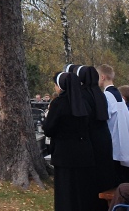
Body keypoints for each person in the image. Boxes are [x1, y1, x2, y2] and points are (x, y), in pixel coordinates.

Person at [43, 71, 99, 211]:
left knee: (65, 191)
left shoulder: (59, 103)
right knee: (81, 189)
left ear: (62, 86)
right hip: (84, 151)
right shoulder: (84, 102)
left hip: (64, 153)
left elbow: (49, 128)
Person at [67, 64, 118, 205]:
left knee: (92, 180)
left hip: (91, 139)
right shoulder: (100, 93)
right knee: (103, 175)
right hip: (104, 137)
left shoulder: (83, 95)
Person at [97, 64, 129, 180]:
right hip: (123, 138)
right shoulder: (118, 94)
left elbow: (105, 117)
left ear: (102, 77)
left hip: (113, 139)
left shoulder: (106, 96)